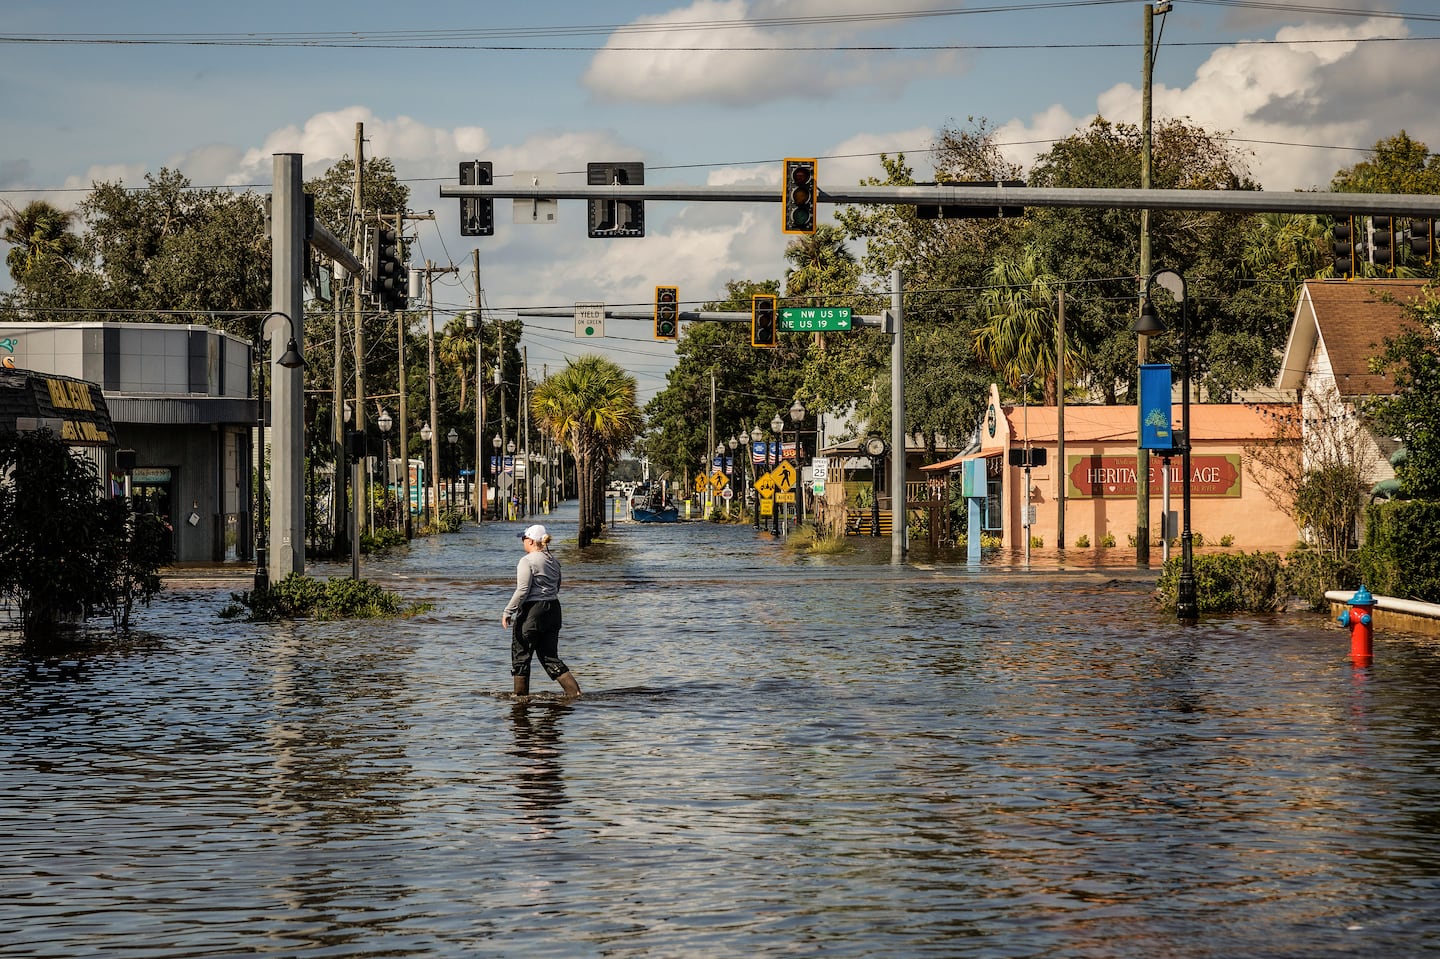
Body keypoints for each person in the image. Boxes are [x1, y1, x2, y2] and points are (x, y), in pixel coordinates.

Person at [502, 524, 581, 699]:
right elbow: (557, 587)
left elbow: (523, 590)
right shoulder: (554, 561)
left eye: (523, 539)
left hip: (532, 612)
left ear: (530, 541)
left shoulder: (527, 561)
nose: (522, 542)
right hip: (553, 610)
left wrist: (508, 611)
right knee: (549, 656)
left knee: (521, 656)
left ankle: (520, 700)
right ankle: (574, 693)